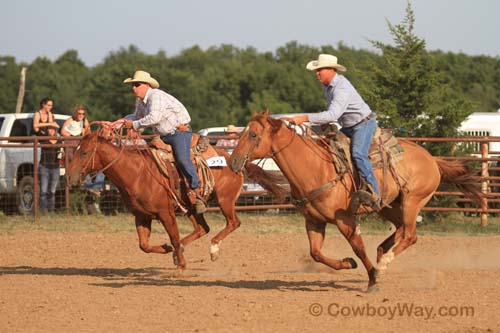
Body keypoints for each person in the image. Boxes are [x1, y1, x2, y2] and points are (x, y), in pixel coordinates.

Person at [286, 54, 381, 211]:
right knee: (328, 149)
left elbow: (333, 114)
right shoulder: (329, 87)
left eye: (320, 70)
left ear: (331, 70)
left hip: (363, 124)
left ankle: (374, 193)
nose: (317, 73)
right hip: (350, 125)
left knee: (358, 154)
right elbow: (336, 113)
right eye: (316, 70)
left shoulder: (341, 87)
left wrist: (304, 118)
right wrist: (326, 122)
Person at [121, 70, 207, 214]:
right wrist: (120, 122)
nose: (133, 88)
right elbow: (136, 116)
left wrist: (133, 125)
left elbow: (154, 118)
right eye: (133, 85)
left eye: (136, 84)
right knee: (148, 160)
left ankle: (196, 190)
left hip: (179, 133)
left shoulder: (156, 96)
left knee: (182, 159)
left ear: (147, 85)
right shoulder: (141, 101)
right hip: (163, 135)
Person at [61, 104, 105, 197]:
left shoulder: (85, 121)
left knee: (87, 165)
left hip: (80, 146)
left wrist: (84, 132)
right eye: (79, 113)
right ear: (76, 113)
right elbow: (63, 131)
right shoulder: (70, 120)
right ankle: (89, 187)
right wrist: (73, 136)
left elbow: (88, 132)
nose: (81, 115)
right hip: (72, 145)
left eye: (83, 113)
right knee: (79, 164)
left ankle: (92, 187)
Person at [39, 125, 61, 213]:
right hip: (44, 166)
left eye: (53, 129)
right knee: (43, 190)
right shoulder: (43, 139)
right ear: (47, 130)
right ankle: (43, 210)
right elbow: (38, 130)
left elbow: (62, 151)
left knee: (52, 190)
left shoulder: (59, 140)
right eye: (50, 129)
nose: (51, 131)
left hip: (55, 167)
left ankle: (51, 210)